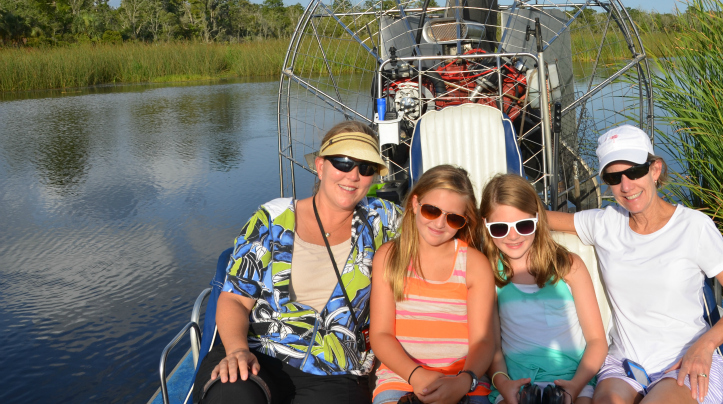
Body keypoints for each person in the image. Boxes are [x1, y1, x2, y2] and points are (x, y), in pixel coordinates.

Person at [547, 125, 723, 404]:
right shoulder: (605, 223)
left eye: (634, 171)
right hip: (624, 364)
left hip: (685, 361)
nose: (626, 186)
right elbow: (538, 217)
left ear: (655, 170)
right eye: (614, 177)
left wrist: (705, 346)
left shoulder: (694, 227)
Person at [194, 120, 403, 404]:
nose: (353, 175)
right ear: (320, 166)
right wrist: (237, 350)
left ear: (374, 177)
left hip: (332, 370)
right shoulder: (272, 219)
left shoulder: (385, 221)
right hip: (257, 351)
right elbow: (235, 300)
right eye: (343, 162)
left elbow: (441, 224)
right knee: (233, 395)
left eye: (365, 167)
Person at [370, 165, 496, 404]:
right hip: (401, 378)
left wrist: (463, 381)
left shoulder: (474, 265)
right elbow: (381, 334)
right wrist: (416, 375)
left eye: (454, 218)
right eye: (431, 211)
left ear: (464, 221)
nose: (440, 224)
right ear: (415, 204)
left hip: (465, 380)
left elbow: (484, 341)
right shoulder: (389, 257)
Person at [479, 174, 608, 404]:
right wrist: (503, 383)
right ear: (486, 226)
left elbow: (597, 341)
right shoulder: (489, 274)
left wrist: (575, 387)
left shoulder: (568, 266)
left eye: (524, 225)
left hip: (573, 381)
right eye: (500, 228)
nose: (513, 236)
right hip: (516, 384)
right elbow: (494, 349)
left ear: (537, 219)